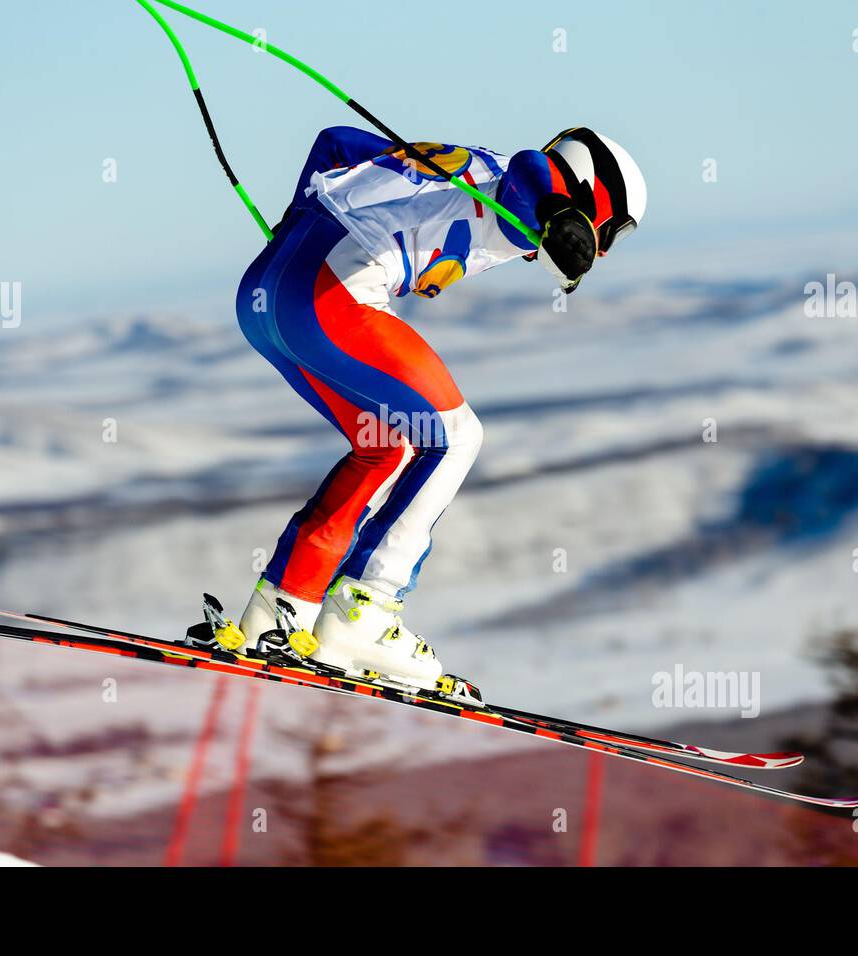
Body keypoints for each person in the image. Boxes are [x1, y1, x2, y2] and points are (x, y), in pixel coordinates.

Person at [219, 126, 647, 690]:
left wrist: (298, 219)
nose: (606, 248)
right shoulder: (521, 187)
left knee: (384, 447)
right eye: (611, 230)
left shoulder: (478, 174)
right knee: (454, 437)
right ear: (594, 194)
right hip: (329, 295)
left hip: (268, 294)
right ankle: (364, 612)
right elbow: (527, 173)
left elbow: (335, 144)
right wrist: (557, 214)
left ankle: (281, 608)